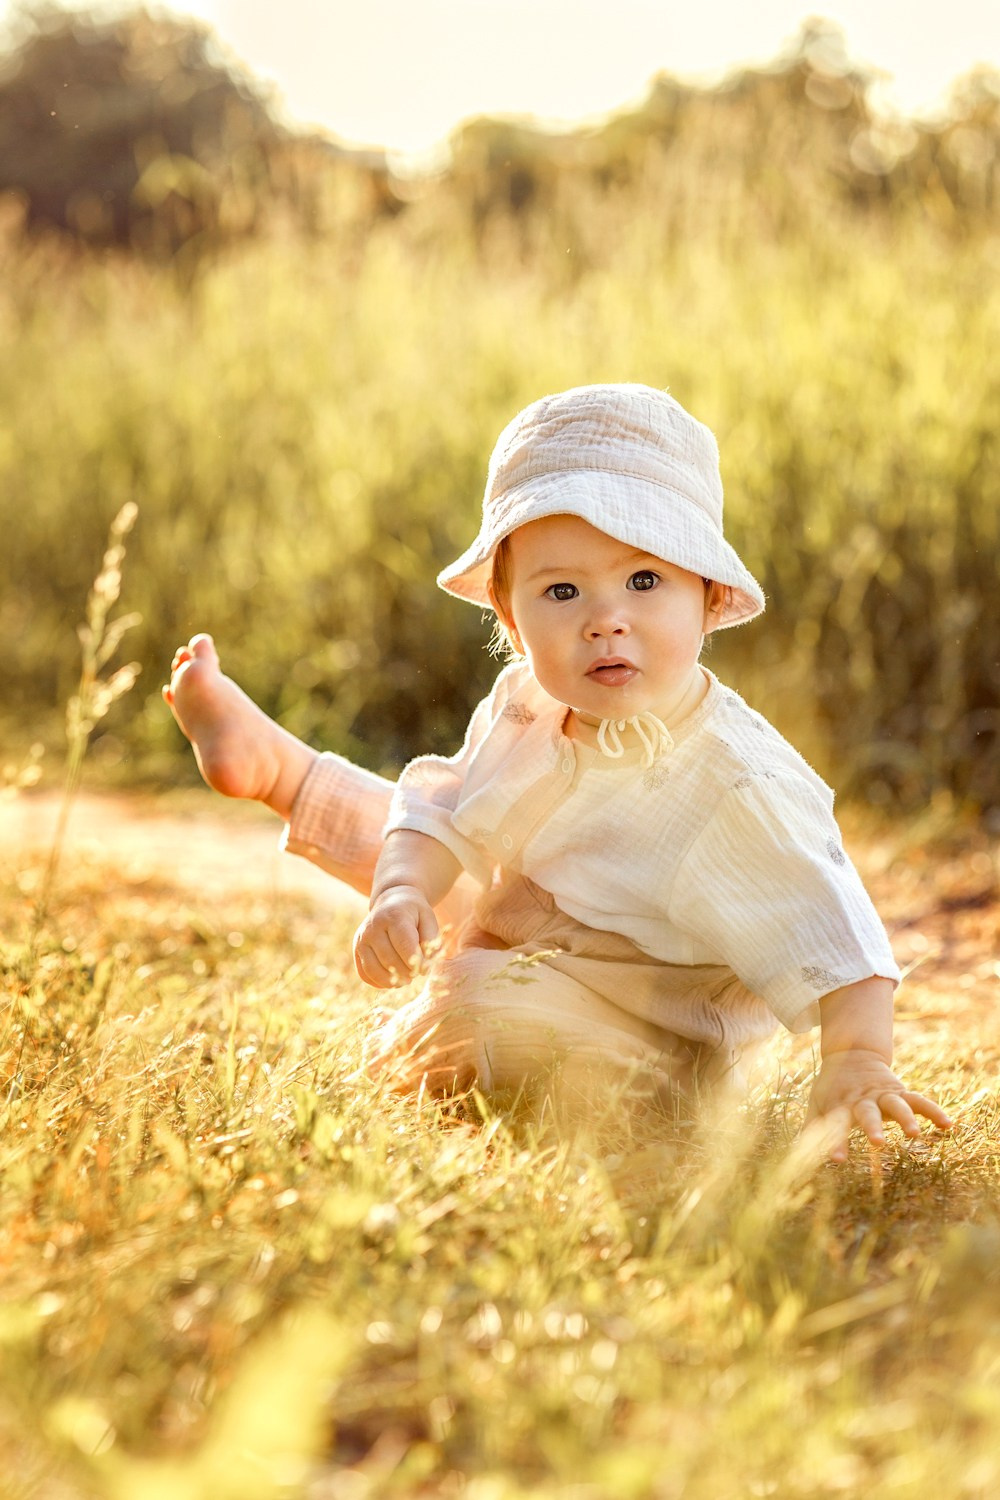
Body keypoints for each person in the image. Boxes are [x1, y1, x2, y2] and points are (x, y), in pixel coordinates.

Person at [164, 383, 952, 1160]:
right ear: (510, 617)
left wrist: (856, 1062)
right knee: (427, 859)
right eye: (562, 590)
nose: (605, 618)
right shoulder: (528, 703)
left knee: (484, 1004)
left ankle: (302, 792)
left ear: (709, 599)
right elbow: (448, 811)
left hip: (650, 1026)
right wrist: (403, 889)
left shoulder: (732, 784)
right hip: (532, 916)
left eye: (645, 581)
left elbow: (831, 929)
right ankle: (283, 773)